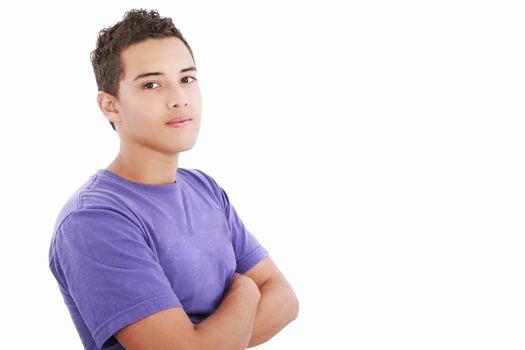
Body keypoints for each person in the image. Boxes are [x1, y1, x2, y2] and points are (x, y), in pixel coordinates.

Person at [48, 8, 299, 350]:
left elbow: (285, 300)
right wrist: (246, 291)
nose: (178, 98)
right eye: (151, 84)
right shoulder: (95, 219)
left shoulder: (205, 190)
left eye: (187, 78)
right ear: (110, 106)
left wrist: (210, 339)